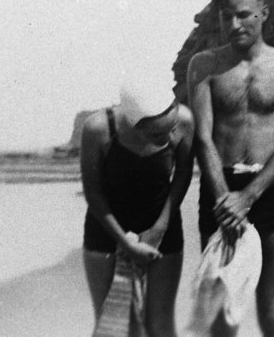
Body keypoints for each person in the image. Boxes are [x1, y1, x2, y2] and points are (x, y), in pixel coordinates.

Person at [188, 0, 274, 337]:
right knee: (221, 317)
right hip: (219, 191)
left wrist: (249, 196)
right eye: (226, 16)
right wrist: (226, 199)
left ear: (263, 13)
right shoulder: (204, 65)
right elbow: (203, 137)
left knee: (272, 313)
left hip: (268, 189)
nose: (234, 24)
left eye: (243, 15)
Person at [80, 76, 194, 337]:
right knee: (115, 326)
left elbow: (183, 174)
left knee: (161, 327)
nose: (169, 137)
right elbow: (93, 193)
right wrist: (125, 242)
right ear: (133, 123)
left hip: (162, 225)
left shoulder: (185, 120)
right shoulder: (98, 129)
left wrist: (159, 229)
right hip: (106, 229)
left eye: (172, 129)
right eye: (157, 134)